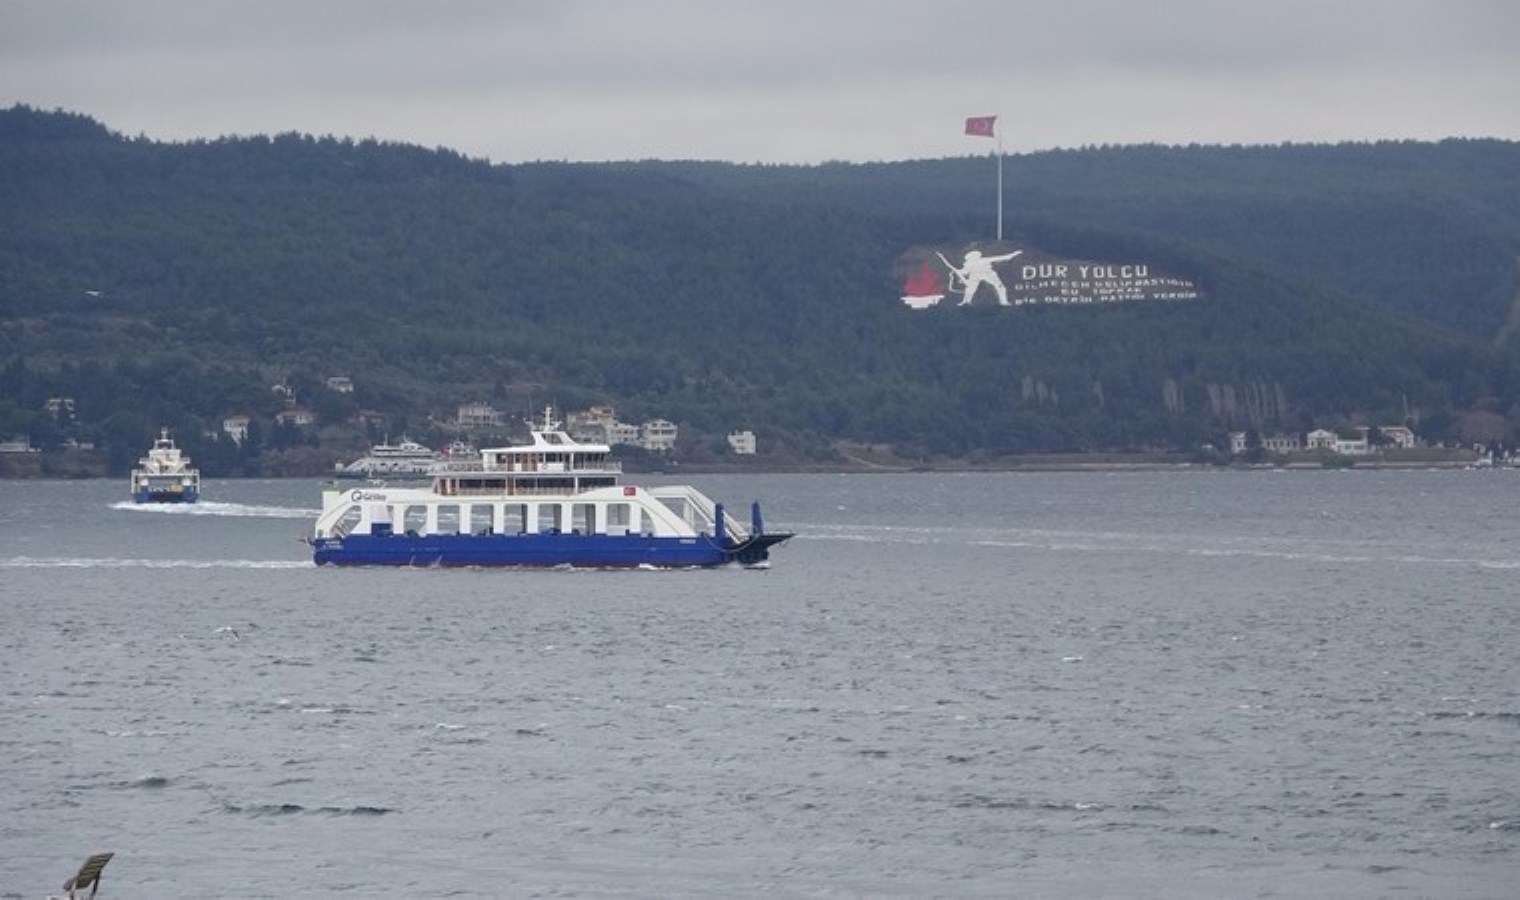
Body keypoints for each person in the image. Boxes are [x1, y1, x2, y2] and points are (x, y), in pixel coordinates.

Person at [942, 249, 1022, 306]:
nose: (974, 258)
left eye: (975, 256)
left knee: (1000, 287)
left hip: (988, 273)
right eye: (972, 257)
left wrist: (1014, 254)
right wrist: (955, 272)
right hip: (975, 275)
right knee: (970, 288)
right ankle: (966, 301)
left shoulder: (983, 260)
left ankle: (1004, 301)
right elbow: (963, 272)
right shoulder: (968, 264)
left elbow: (1003, 258)